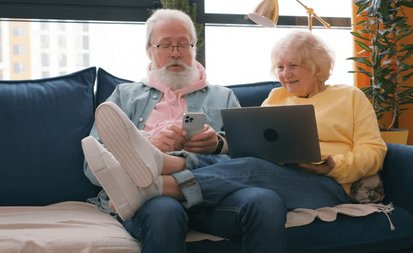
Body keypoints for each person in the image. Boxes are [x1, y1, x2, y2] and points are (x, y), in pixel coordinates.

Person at [84, 29, 387, 251]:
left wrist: (332, 165)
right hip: (275, 175)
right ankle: (161, 164)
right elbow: (248, 146)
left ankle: (157, 177)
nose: (284, 74)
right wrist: (220, 144)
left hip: (326, 185)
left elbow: (374, 151)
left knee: (252, 166)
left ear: (317, 67)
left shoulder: (350, 97)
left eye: (293, 66)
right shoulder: (276, 97)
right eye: (279, 66)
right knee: (250, 163)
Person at [82, 9, 287, 253]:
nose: (175, 53)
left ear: (194, 48)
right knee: (165, 212)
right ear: (149, 50)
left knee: (265, 201)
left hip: (212, 197)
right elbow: (92, 168)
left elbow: (248, 161)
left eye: (183, 44)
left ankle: (161, 169)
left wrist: (217, 144)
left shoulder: (223, 96)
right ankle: (153, 164)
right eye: (165, 45)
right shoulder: (124, 96)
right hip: (153, 202)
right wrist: (150, 142)